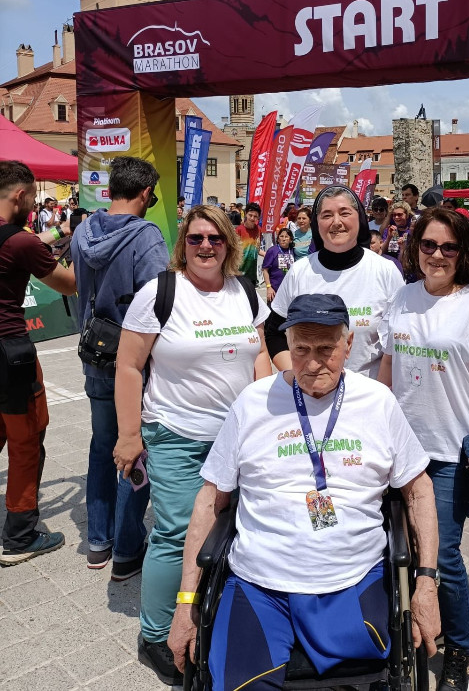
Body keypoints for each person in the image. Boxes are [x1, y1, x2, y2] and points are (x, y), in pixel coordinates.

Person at [168, 293, 440, 687]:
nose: (313, 364)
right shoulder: (252, 402)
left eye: (327, 349)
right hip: (259, 584)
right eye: (301, 349)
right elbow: (211, 499)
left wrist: (426, 584)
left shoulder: (378, 402)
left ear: (349, 345)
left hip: (352, 580)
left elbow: (419, 491)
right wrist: (186, 603)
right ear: (287, 347)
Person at [113, 204, 272, 685]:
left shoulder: (244, 291)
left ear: (229, 244)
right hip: (178, 434)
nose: (206, 246)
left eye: (215, 239)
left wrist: (265, 418)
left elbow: (260, 351)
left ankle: (212, 611)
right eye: (197, 238)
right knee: (179, 532)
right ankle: (156, 634)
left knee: (238, 529)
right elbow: (128, 366)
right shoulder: (160, 293)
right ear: (184, 244)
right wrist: (127, 435)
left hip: (238, 437)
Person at [377, 208, 469, 691]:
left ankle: (460, 647)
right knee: (399, 547)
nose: (437, 255)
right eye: (429, 245)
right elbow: (387, 368)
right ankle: (409, 625)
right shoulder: (402, 298)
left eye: (448, 247)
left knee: (444, 556)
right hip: (401, 448)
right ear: (415, 249)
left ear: (463, 253)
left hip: (452, 451)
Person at [71, 156, 170, 577]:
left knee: (100, 446)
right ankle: (128, 549)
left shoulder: (82, 231)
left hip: (94, 353)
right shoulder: (147, 236)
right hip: (135, 362)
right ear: (146, 193)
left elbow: (76, 290)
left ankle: (97, 542)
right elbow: (161, 302)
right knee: (135, 451)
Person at [0, 161, 76, 566]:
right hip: (10, 351)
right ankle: (19, 536)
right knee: (27, 439)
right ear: (20, 195)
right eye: (31, 196)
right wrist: (85, 246)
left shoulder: (18, 239)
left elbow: (22, 242)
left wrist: (59, 234)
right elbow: (70, 282)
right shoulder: (21, 243)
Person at [265, 186, 403, 377]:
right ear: (317, 223)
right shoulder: (299, 271)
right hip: (309, 396)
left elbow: (400, 342)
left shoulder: (385, 271)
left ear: (360, 218)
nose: (336, 222)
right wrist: (297, 375)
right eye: (327, 215)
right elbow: (274, 332)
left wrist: (378, 391)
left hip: (367, 396)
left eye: (344, 213)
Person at [262, 227, 295, 302]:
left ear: (290, 240)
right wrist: (268, 287)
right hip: (274, 290)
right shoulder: (272, 251)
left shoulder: (293, 251)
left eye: (286, 237)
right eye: (281, 236)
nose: (283, 239)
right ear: (278, 238)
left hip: (290, 291)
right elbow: (265, 270)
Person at [235, 202, 262, 285]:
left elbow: (256, 249)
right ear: (246, 214)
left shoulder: (258, 230)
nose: (252, 218)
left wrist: (268, 254)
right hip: (239, 272)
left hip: (252, 273)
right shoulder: (238, 230)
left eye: (255, 216)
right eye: (250, 215)